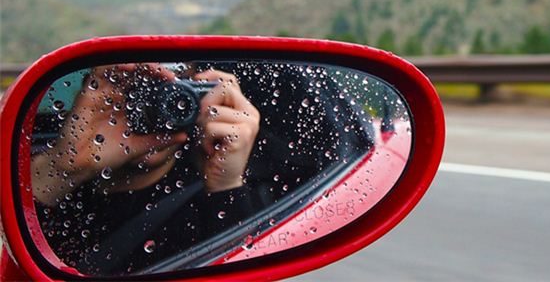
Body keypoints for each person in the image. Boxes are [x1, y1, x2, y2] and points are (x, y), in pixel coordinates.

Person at [31, 61, 374, 275]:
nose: (155, 104)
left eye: (175, 89)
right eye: (134, 90)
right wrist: (64, 167)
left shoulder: (210, 201)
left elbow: (239, 264)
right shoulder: (67, 179)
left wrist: (226, 182)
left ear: (204, 95)